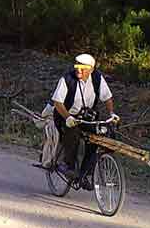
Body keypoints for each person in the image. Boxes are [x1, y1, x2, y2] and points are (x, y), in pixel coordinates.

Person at [50, 53, 119, 187]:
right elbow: (58, 102)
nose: (78, 70)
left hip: (87, 118)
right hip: (65, 116)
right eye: (77, 66)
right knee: (73, 134)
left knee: (97, 137)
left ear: (91, 69)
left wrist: (112, 113)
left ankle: (86, 173)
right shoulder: (67, 79)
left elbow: (107, 97)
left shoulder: (97, 78)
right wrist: (68, 117)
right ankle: (68, 165)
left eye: (83, 68)